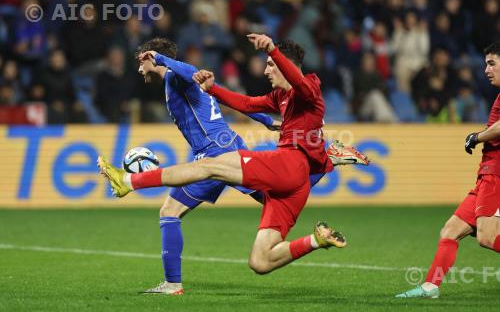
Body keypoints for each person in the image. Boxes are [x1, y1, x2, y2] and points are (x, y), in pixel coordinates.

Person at [97, 34, 369, 285]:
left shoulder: (308, 88)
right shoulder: (282, 96)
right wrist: (216, 90)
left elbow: (297, 81)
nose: (265, 71)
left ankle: (129, 182)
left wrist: (272, 49)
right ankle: (317, 236)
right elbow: (249, 103)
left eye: (270, 65)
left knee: (203, 171)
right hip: (294, 181)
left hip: (277, 159)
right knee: (260, 262)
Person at [396, 41, 500, 299]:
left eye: (492, 63)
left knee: (486, 237)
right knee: (450, 230)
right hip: (486, 175)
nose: (486, 69)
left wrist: (477, 137)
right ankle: (431, 287)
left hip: (496, 175)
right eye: (486, 63)